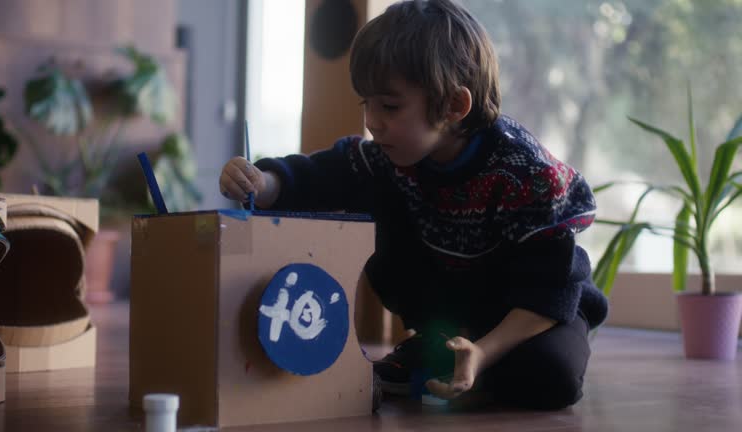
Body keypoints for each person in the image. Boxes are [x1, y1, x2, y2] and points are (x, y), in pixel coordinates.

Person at [219, 0, 607, 410]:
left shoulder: (526, 175)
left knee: (552, 377)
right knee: (369, 191)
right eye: (364, 103)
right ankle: (440, 343)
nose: (372, 120)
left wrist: (484, 353)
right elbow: (321, 175)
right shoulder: (389, 158)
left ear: (455, 106)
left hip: (532, 313)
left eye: (389, 106)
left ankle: (460, 358)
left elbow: (549, 291)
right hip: (457, 308)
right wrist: (262, 182)